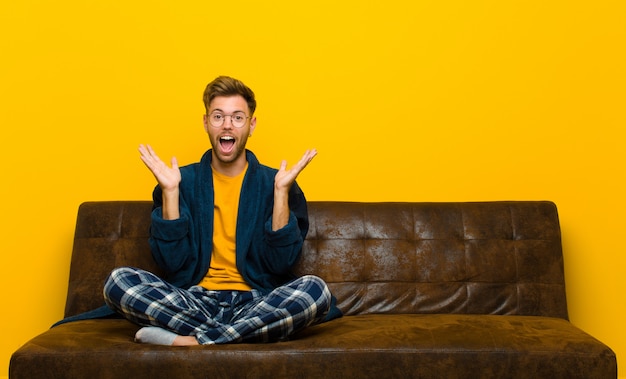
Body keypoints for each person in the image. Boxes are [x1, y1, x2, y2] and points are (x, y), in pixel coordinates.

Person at [103, 76, 340, 346]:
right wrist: (170, 192)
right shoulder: (182, 181)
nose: (227, 125)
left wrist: (280, 195)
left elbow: (280, 264)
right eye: (218, 116)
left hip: (256, 301)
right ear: (206, 122)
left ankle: (187, 341)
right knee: (118, 281)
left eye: (238, 117)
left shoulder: (275, 183)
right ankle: (239, 334)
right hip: (192, 300)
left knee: (315, 291)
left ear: (251, 125)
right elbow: (171, 263)